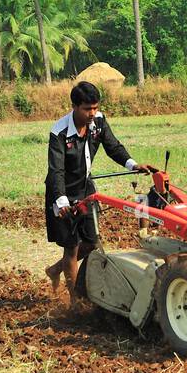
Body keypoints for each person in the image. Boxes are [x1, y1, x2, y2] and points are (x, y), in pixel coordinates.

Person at [45, 81, 149, 295]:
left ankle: (55, 269)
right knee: (71, 247)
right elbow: (56, 170)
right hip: (63, 192)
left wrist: (133, 164)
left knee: (92, 243)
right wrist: (62, 200)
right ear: (74, 106)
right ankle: (75, 302)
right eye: (87, 109)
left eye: (95, 107)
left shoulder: (99, 122)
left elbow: (113, 146)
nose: (92, 113)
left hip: (86, 189)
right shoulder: (60, 132)